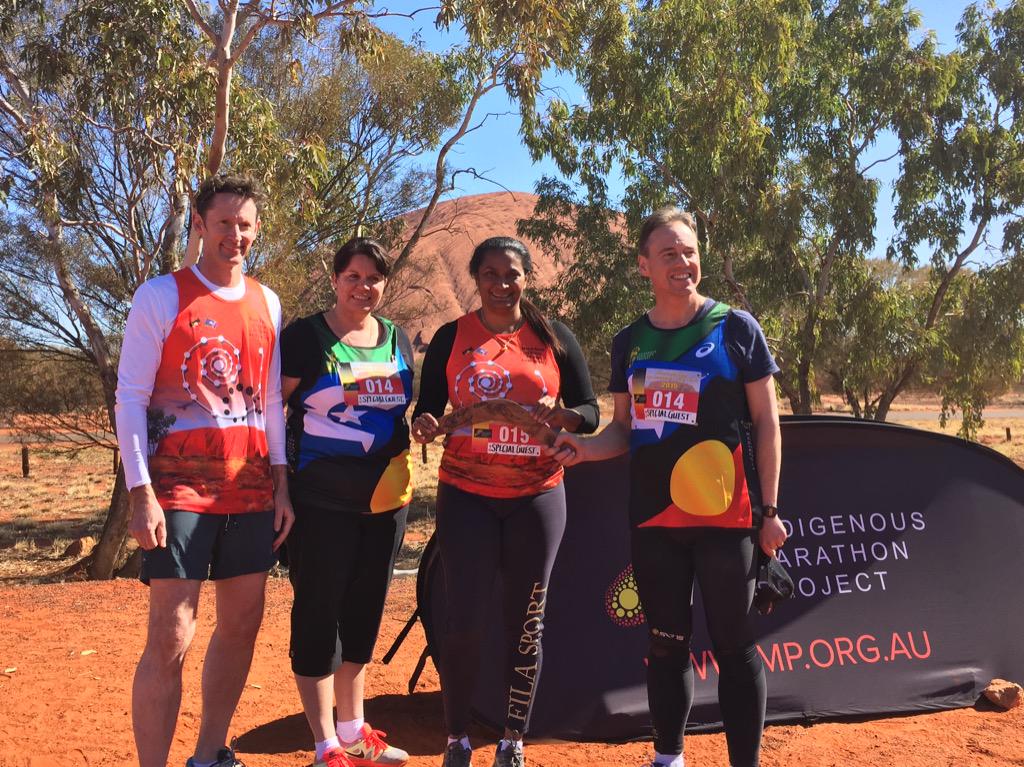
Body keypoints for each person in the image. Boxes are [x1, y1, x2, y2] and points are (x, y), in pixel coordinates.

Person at [548, 208, 787, 767]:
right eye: (668, 254)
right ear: (644, 265)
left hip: (728, 521)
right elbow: (624, 428)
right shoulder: (630, 341)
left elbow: (768, 423)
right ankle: (668, 758)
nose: (682, 263)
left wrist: (771, 510)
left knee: (735, 648)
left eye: (689, 251)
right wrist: (583, 448)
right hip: (656, 522)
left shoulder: (736, 328)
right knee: (666, 646)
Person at [116, 173, 294, 767]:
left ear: (257, 229)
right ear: (199, 225)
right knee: (172, 635)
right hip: (177, 490)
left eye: (245, 225)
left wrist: (281, 484)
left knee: (242, 625)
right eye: (223, 224)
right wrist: (140, 490)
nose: (234, 236)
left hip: (251, 489)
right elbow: (131, 398)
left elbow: (272, 401)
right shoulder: (160, 296)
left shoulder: (268, 303)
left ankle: (210, 752)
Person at [410, 236, 599, 767]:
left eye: (511, 273)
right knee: (464, 621)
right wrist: (424, 423)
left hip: (537, 496)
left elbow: (589, 409)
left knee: (527, 623)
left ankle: (513, 740)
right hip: (465, 494)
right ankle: (456, 739)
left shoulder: (554, 336)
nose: (501, 284)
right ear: (476, 278)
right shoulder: (452, 336)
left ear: (526, 277)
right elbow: (428, 409)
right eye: (490, 274)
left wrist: (568, 417)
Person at [280, 237, 413, 767]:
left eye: (374, 278)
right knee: (318, 612)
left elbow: (400, 413)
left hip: (387, 500)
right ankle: (324, 745)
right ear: (335, 279)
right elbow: (271, 411)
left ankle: (354, 731)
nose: (364, 287)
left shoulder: (397, 337)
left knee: (364, 612)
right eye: (353, 277)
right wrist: (278, 488)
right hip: (320, 500)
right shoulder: (305, 337)